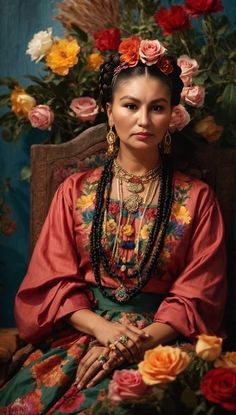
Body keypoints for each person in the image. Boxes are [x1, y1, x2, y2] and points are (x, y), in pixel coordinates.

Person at [0, 37, 227, 414]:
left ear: (172, 114)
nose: (143, 120)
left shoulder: (198, 198)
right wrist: (105, 332)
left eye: (157, 108)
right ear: (108, 111)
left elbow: (198, 294)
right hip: (83, 330)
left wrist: (135, 343)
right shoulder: (75, 190)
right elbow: (51, 280)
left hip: (161, 339)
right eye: (130, 105)